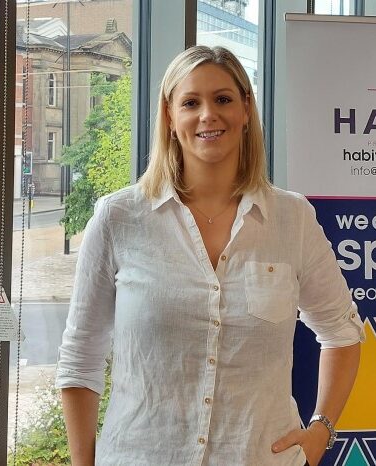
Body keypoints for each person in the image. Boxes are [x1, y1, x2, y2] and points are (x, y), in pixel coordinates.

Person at [56, 45, 365, 466]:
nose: (208, 115)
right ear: (170, 116)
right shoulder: (119, 217)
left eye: (222, 99)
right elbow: (80, 359)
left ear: (245, 109)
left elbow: (343, 334)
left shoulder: (292, 219)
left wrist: (321, 429)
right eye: (190, 102)